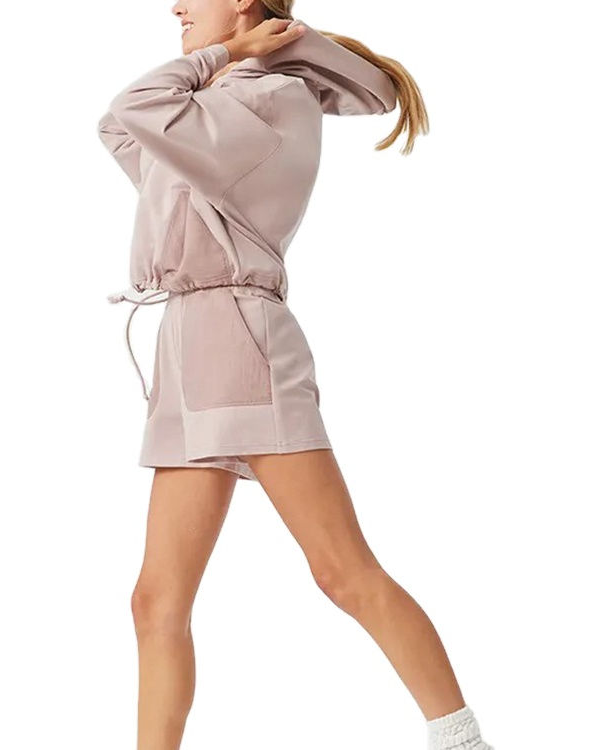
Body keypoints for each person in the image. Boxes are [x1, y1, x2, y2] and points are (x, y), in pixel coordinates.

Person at [97, 2, 495, 749]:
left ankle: (463, 741)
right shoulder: (214, 101)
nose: (174, 5)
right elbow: (120, 127)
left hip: (239, 341)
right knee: (155, 602)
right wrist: (221, 61)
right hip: (186, 342)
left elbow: (134, 104)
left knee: (342, 571)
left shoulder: (270, 98)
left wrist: (227, 56)